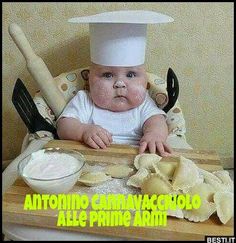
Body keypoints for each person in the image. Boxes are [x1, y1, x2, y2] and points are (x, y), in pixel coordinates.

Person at [57, 10, 174, 157]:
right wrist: (83, 131)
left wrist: (155, 135)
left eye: (131, 75)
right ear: (89, 79)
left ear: (145, 81)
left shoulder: (144, 104)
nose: (120, 84)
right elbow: (63, 126)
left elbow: (157, 121)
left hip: (136, 161)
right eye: (107, 75)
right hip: (91, 161)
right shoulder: (85, 101)